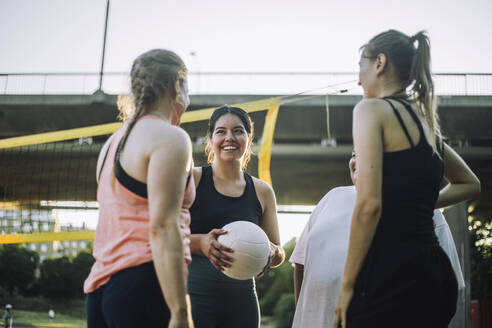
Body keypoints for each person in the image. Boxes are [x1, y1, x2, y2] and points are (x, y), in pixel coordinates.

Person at [334, 30, 481, 328]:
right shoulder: (427, 125)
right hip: (435, 274)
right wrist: (417, 204)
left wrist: (346, 287)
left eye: (360, 66)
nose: (359, 78)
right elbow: (470, 183)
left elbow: (369, 206)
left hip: (392, 273)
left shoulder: (370, 110)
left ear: (379, 62)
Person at [290, 151, 466, 327]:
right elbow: (301, 263)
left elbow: (444, 292)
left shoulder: (424, 209)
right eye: (353, 154)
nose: (356, 161)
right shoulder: (331, 198)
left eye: (365, 151)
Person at [84, 49, 194, 328]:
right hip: (145, 283)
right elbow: (162, 226)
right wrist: (181, 312)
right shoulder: (170, 137)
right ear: (177, 85)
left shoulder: (112, 144)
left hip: (100, 290)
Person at [187, 105, 285, 328]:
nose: (229, 137)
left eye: (238, 131)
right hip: (194, 299)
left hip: (243, 305)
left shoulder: (262, 191)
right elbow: (163, 235)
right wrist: (201, 242)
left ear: (249, 139)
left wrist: (271, 252)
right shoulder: (192, 180)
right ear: (210, 139)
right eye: (221, 131)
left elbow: (279, 252)